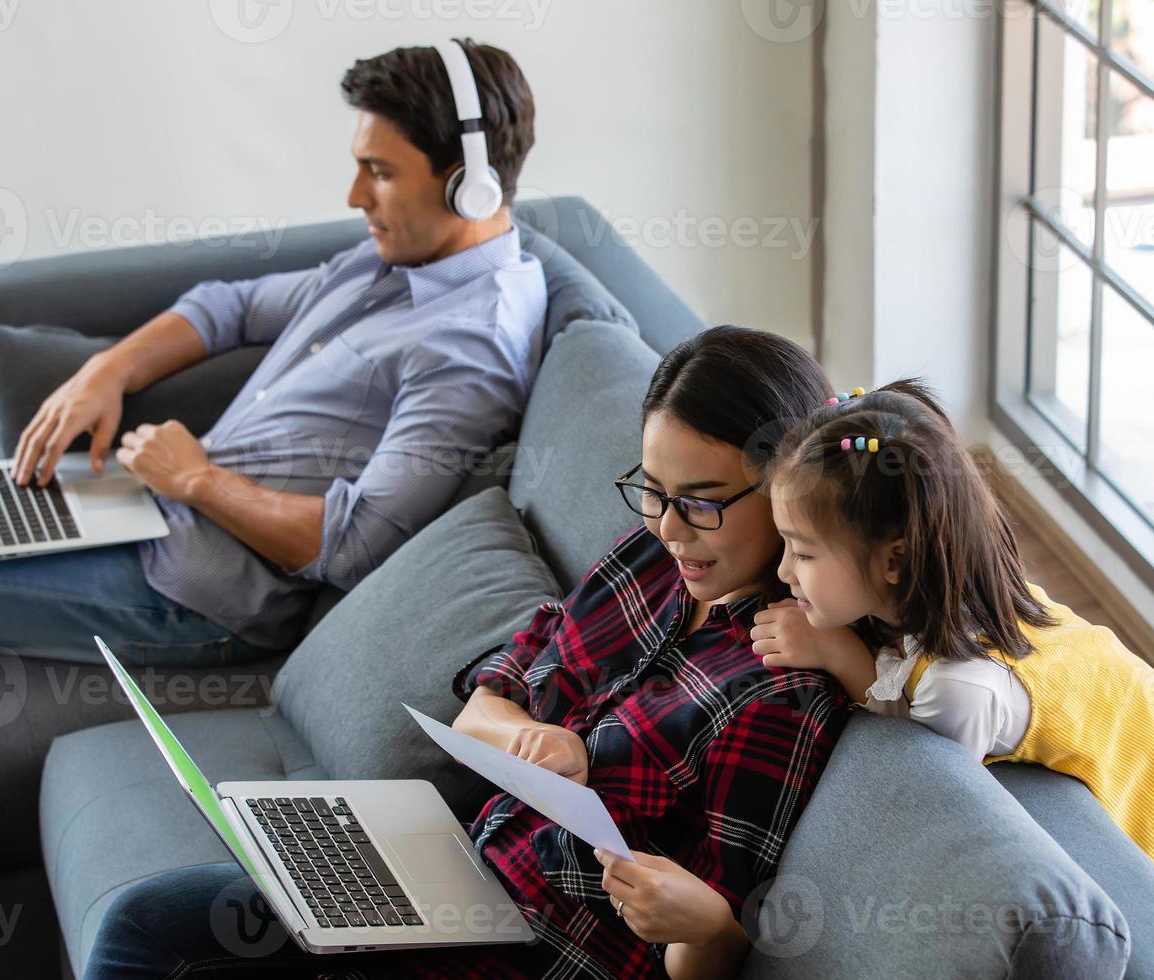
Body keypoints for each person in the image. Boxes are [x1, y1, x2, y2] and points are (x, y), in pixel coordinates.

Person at [82, 325, 852, 980]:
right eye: (651, 489)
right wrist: (526, 738)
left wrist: (704, 924)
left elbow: (708, 945)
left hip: (527, 955)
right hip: (449, 878)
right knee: (154, 918)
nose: (669, 525)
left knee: (153, 933)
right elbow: (493, 689)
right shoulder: (651, 563)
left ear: (787, 488)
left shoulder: (778, 685)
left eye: (701, 502)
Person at [0, 40, 546, 664]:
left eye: (380, 172)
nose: (355, 195)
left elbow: (358, 544)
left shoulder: (471, 349)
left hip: (193, 594)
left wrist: (197, 481)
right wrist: (104, 373)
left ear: (468, 182)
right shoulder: (391, 261)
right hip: (140, 507)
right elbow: (228, 307)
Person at [753, 379, 1154, 863]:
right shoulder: (956, 585)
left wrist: (838, 653)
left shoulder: (962, 688)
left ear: (894, 561)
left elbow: (927, 788)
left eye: (802, 552)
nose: (783, 570)